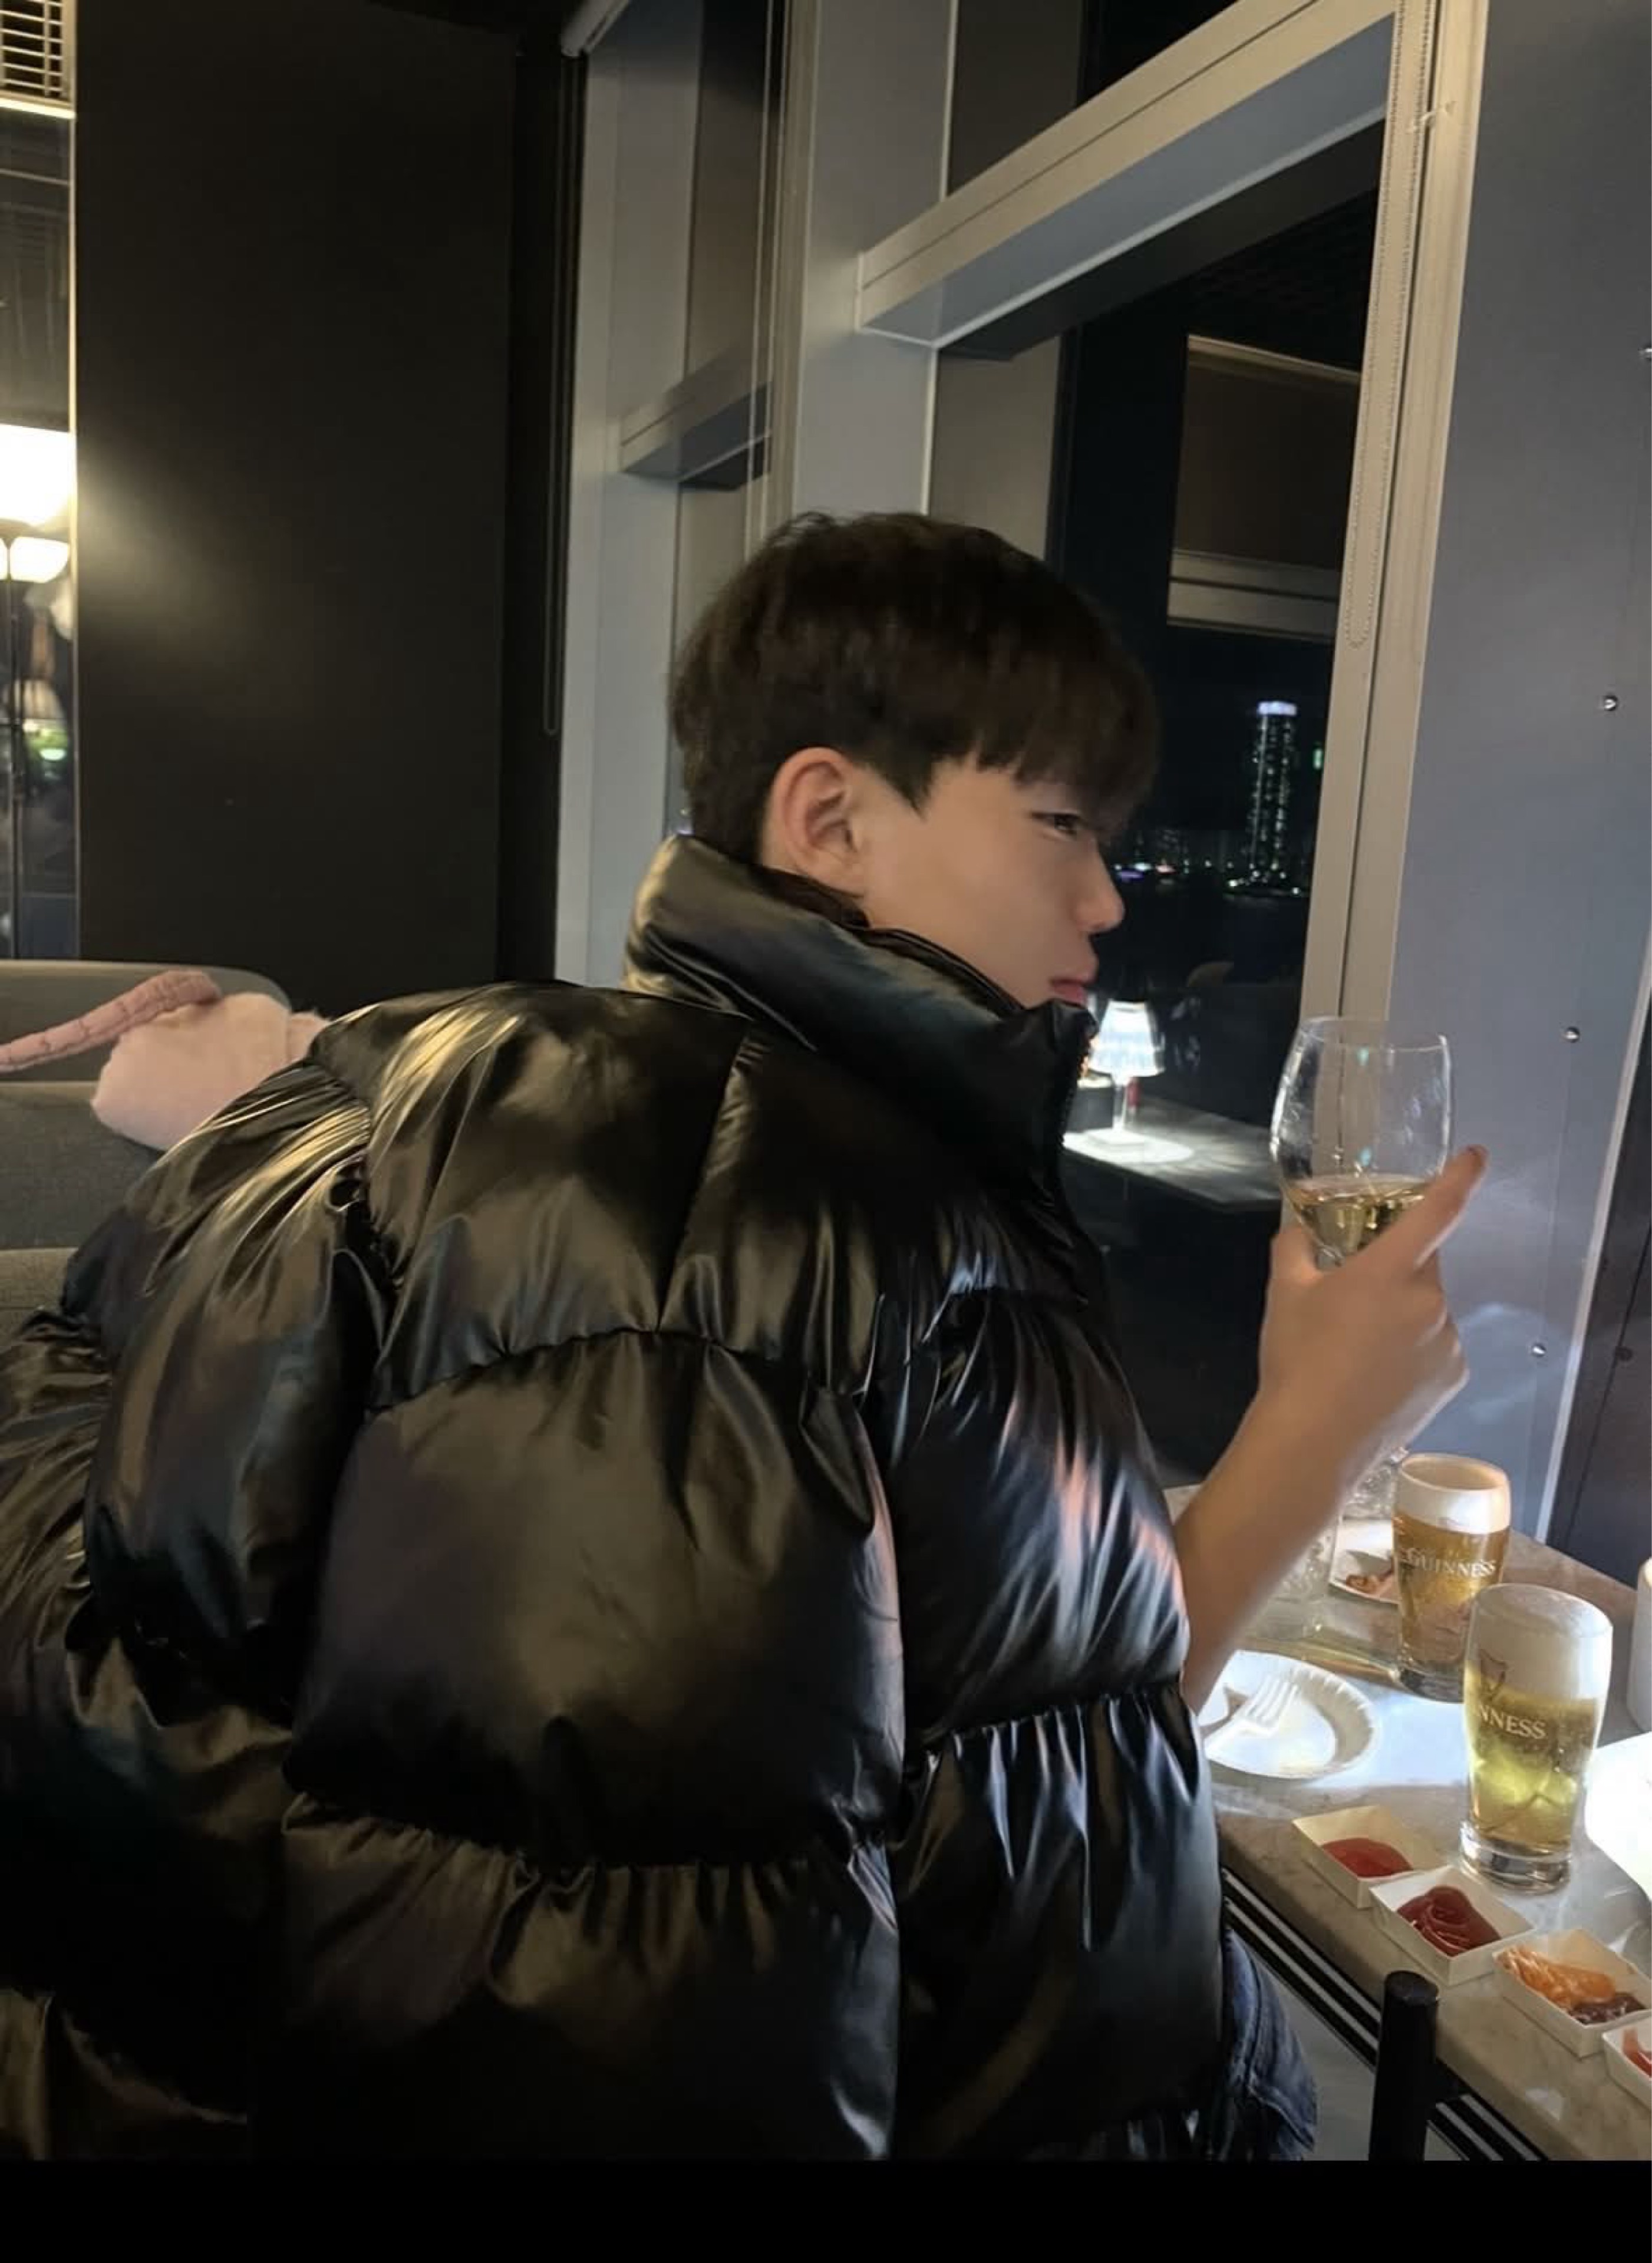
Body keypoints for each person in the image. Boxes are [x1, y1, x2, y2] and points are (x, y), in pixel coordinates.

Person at [0, 513, 1480, 2159]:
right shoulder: (734, 1252)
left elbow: (997, 1743)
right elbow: (645, 2008)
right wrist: (1312, 1436)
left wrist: (1310, 1425)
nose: (1107, 897)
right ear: (828, 816)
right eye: (1062, 823)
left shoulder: (564, 1110)